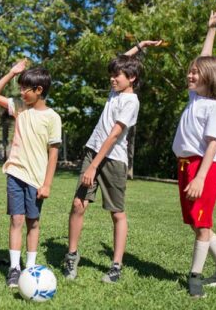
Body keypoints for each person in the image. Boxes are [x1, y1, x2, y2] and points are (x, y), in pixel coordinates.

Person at [63, 40, 162, 283]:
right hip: (92, 152)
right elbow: (122, 59)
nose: (112, 79)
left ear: (132, 78)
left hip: (112, 161)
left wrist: (94, 166)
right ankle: (71, 256)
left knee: (117, 212)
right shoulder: (114, 91)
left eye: (116, 75)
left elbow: (115, 134)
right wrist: (140, 46)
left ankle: (116, 266)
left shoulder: (131, 101)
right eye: (111, 75)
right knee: (78, 204)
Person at [171, 4, 216, 298]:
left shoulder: (215, 106)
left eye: (196, 72)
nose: (190, 74)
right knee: (197, 222)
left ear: (209, 78)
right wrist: (211, 29)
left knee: (202, 224)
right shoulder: (195, 98)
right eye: (190, 70)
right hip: (186, 166)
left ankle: (195, 276)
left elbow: (213, 143)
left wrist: (200, 177)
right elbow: (204, 57)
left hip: (204, 167)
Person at [0, 60, 62, 287]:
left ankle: (30, 268)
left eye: (24, 89)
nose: (21, 92)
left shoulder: (53, 118)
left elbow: (53, 154)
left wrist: (47, 184)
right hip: (15, 173)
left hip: (37, 180)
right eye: (19, 88)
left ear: (39, 91)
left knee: (33, 222)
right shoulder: (19, 107)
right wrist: (11, 72)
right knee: (16, 219)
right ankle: (14, 268)